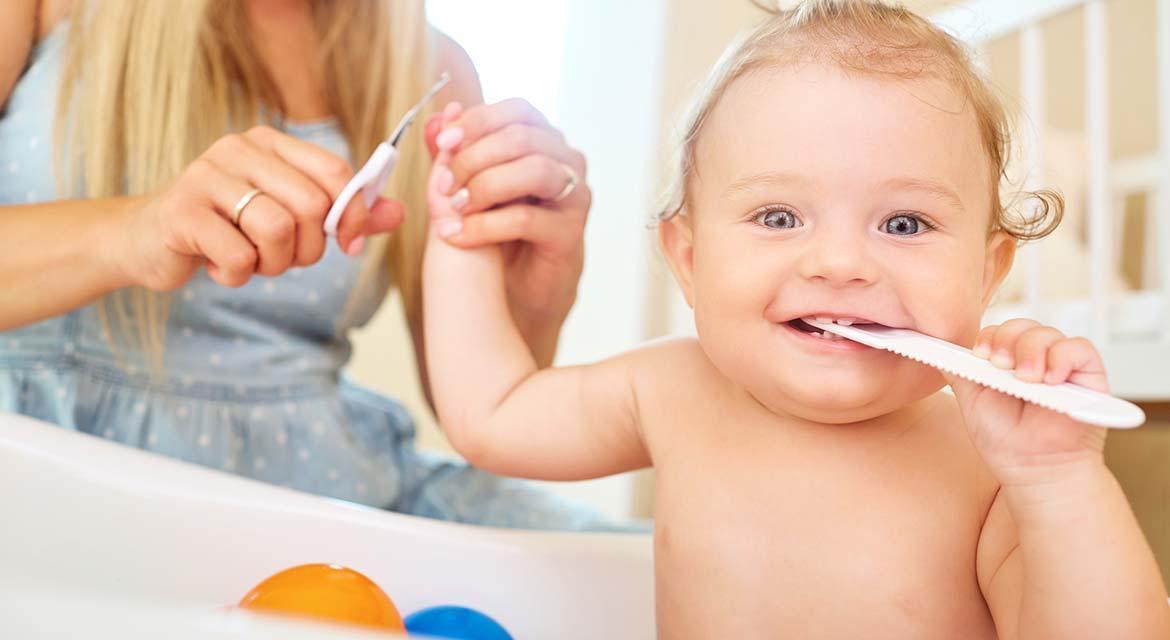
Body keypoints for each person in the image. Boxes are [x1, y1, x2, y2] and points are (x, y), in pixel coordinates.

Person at [422, 0, 1170, 635]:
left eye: (904, 223)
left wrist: (1059, 481)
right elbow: (493, 414)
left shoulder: (988, 466)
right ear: (689, 258)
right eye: (778, 216)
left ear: (987, 271)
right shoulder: (670, 390)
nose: (839, 263)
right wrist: (462, 233)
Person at [0, 0, 602, 529]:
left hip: (323, 492)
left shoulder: (430, 67)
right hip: (42, 462)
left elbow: (481, 420)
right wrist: (134, 230)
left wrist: (530, 300)